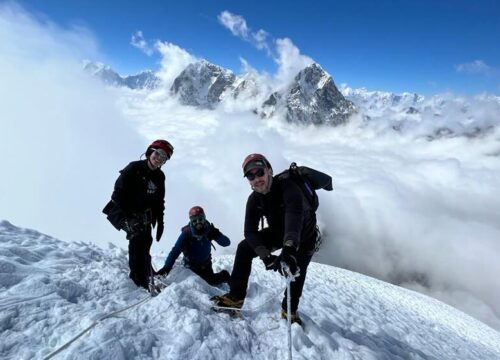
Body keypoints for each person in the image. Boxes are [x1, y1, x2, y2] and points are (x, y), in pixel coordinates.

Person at [212, 154, 318, 325]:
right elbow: (250, 232)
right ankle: (236, 297)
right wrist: (266, 256)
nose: (256, 179)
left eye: (259, 172)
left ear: (269, 171)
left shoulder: (289, 189)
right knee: (245, 248)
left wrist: (289, 250)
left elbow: (294, 218)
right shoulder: (254, 200)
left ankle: (289, 311)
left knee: (296, 270)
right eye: (250, 176)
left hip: (305, 236)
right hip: (278, 232)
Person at [103, 139, 173, 291]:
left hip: (144, 215)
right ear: (150, 151)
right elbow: (117, 195)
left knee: (146, 240)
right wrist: (129, 218)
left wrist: (160, 222)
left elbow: (159, 201)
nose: (159, 158)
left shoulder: (160, 176)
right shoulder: (133, 168)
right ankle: (137, 277)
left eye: (164, 157)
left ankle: (146, 270)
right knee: (137, 238)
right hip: (123, 211)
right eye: (158, 153)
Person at [156, 206, 231, 286]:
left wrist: (217, 235)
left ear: (204, 219)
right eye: (194, 220)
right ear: (191, 221)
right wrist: (166, 267)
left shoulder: (210, 230)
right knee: (191, 285)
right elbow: (175, 251)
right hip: (190, 267)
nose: (198, 222)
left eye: (200, 219)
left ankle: (224, 275)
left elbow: (227, 243)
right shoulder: (187, 233)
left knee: (210, 283)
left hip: (206, 265)